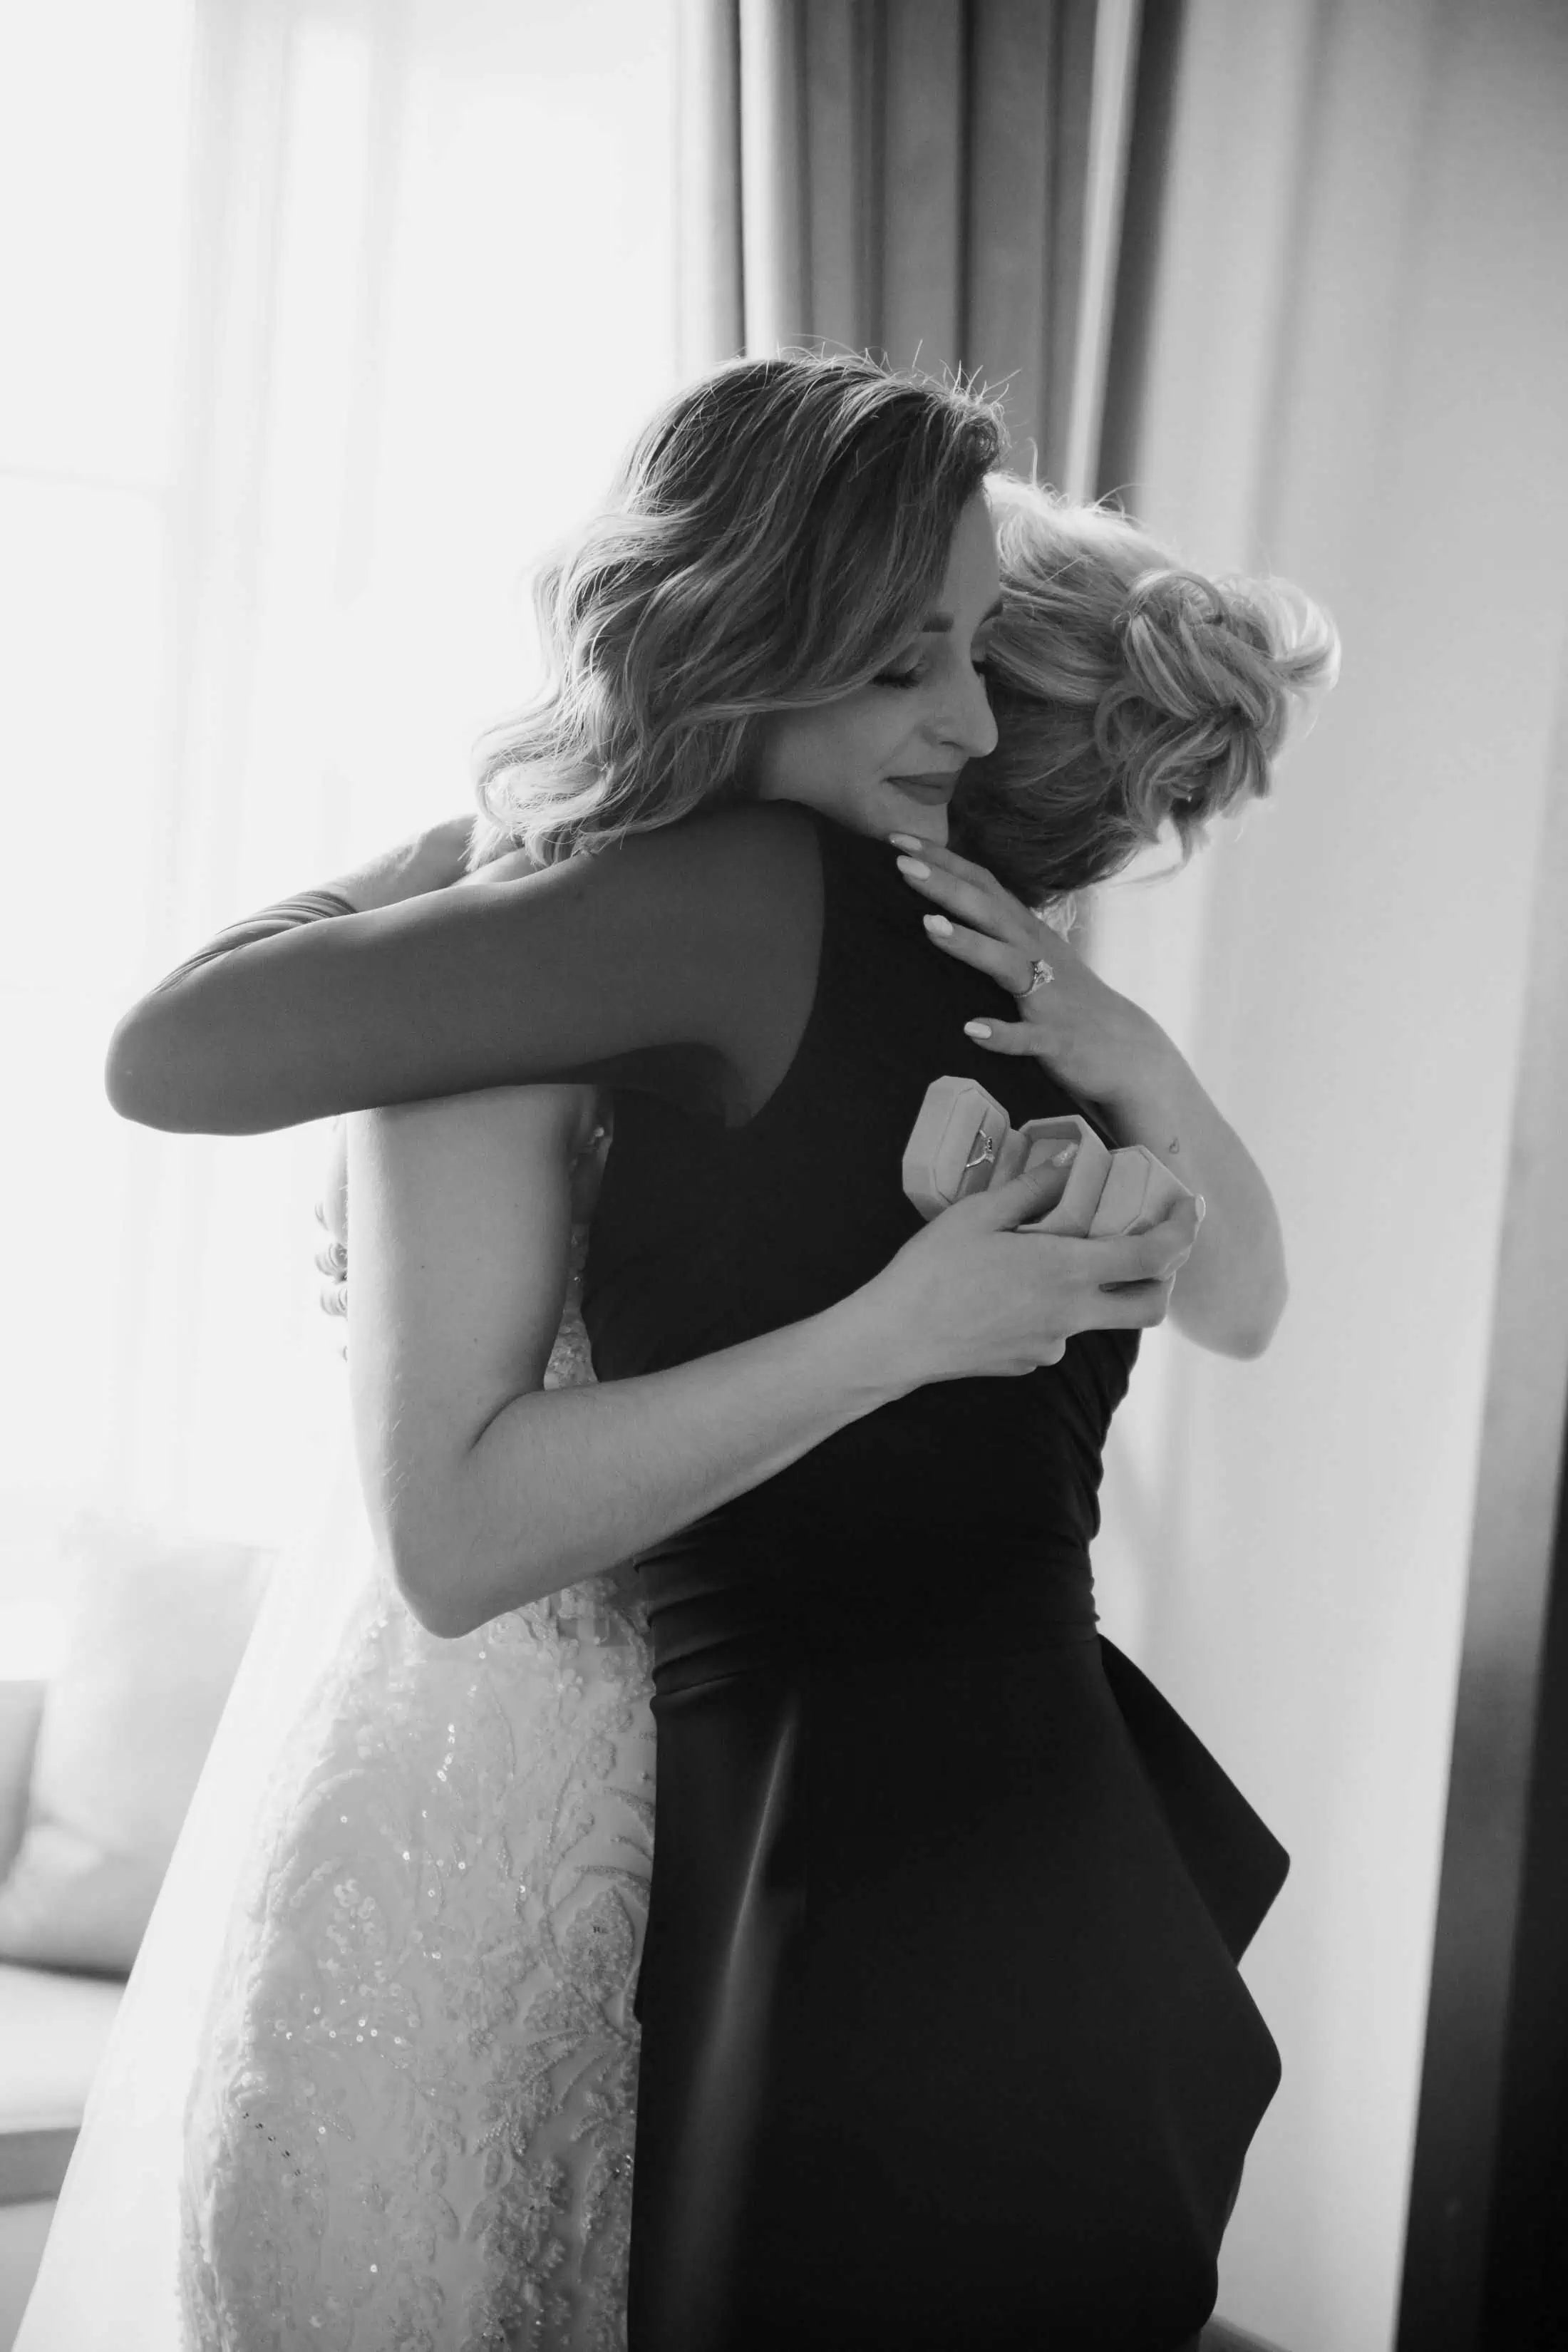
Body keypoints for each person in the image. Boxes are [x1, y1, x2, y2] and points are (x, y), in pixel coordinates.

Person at [72, 351, 1333, 2351]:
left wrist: (460, 849)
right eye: (911, 661)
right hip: (939, 1852)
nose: (964, 720)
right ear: (755, 634)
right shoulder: (885, 950)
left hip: (820, 1859)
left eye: (976, 660)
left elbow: (173, 1054)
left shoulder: (808, 918)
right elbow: (1244, 1304)